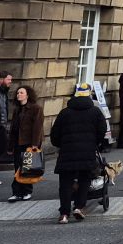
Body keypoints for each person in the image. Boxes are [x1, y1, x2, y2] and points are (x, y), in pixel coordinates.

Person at [49, 82, 108, 223]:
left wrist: (61, 145)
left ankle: (64, 213)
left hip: (67, 153)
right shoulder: (95, 112)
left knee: (65, 182)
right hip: (87, 152)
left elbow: (54, 135)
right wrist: (95, 143)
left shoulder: (65, 113)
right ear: (89, 95)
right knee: (84, 180)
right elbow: (102, 130)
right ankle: (79, 207)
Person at [6, 84, 43, 202]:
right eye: (17, 93)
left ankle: (26, 191)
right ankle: (17, 192)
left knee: (27, 168)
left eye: (21, 93)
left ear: (28, 95)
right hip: (18, 142)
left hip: (28, 143)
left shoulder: (35, 108)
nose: (18, 95)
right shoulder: (17, 110)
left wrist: (35, 144)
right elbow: (13, 129)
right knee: (17, 168)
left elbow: (37, 127)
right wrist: (10, 146)